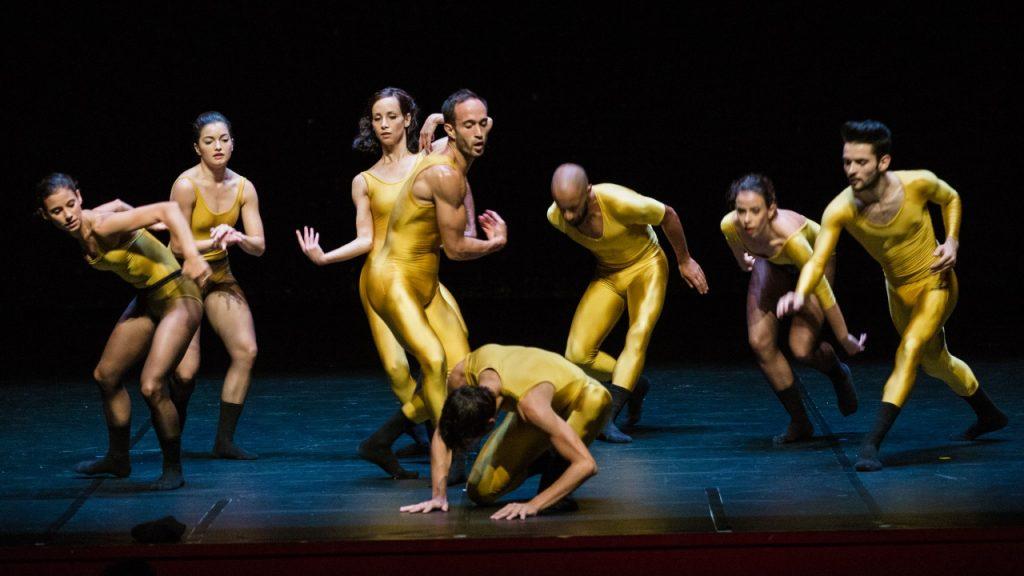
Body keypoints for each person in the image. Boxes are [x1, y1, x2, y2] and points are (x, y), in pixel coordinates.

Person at [777, 120, 1007, 471]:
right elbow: (817, 260)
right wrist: (800, 293)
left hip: (936, 282)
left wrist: (952, 241)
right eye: (847, 162)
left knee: (910, 349)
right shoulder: (840, 209)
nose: (851, 170)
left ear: (883, 162)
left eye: (861, 162)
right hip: (897, 292)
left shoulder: (917, 183)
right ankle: (989, 414)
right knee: (935, 361)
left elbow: (950, 198)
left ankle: (871, 445)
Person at [296, 87, 472, 477]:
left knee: (454, 363)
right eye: (378, 118)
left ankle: (436, 443)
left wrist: (434, 119)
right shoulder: (365, 180)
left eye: (392, 116)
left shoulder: (428, 158)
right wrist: (325, 257)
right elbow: (365, 239)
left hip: (422, 276)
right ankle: (428, 437)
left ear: (407, 120)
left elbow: (466, 136)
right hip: (382, 279)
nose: (384, 125)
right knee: (397, 371)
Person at [357, 89, 507, 479]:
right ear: (453, 132)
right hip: (392, 278)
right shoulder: (443, 173)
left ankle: (381, 440)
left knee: (461, 370)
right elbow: (455, 250)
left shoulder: (456, 144)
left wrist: (437, 119)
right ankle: (452, 455)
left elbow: (471, 120)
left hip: (425, 281)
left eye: (482, 124)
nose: (479, 133)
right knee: (434, 362)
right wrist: (494, 245)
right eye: (468, 126)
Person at [37, 172, 211, 490]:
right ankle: (118, 459)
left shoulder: (102, 225)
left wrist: (192, 256)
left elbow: (169, 209)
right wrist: (138, 223)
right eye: (57, 211)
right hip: (148, 298)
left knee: (152, 386)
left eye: (71, 205)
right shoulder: (88, 226)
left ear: (79, 197)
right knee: (106, 375)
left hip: (179, 295)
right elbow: (117, 203)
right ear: (45, 215)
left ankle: (173, 468)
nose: (68, 215)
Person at [548, 163, 708, 443]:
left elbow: (668, 214)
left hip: (647, 267)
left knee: (638, 334)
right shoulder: (555, 216)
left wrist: (684, 260)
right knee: (577, 355)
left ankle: (608, 416)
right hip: (608, 274)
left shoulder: (620, 202)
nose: (569, 216)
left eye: (574, 207)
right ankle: (633, 383)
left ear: (589, 192)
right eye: (563, 208)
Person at [720, 174, 865, 444]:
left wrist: (844, 337)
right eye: (741, 211)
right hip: (773, 261)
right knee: (760, 342)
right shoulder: (730, 225)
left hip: (815, 260)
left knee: (801, 348)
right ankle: (800, 421)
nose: (747, 219)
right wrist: (744, 261)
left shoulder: (792, 238)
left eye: (755, 211)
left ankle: (838, 372)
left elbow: (823, 289)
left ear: (771, 209)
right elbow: (740, 253)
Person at [400, 344, 611, 519]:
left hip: (582, 398)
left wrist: (534, 504)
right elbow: (443, 433)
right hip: (535, 396)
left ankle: (556, 459)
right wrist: (438, 496)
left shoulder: (532, 407)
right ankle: (543, 456)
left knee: (593, 403)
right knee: (480, 492)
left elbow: (586, 465)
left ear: (490, 425)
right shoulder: (461, 378)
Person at [168, 111, 265, 460]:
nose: (218, 146)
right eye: (209, 141)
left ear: (233, 143)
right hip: (184, 277)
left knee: (246, 350)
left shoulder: (244, 187)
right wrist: (215, 240)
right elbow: (176, 246)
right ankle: (172, 434)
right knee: (185, 373)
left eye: (224, 139)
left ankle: (224, 440)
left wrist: (238, 237)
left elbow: (258, 245)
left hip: (220, 275)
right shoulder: (185, 185)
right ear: (198, 148)